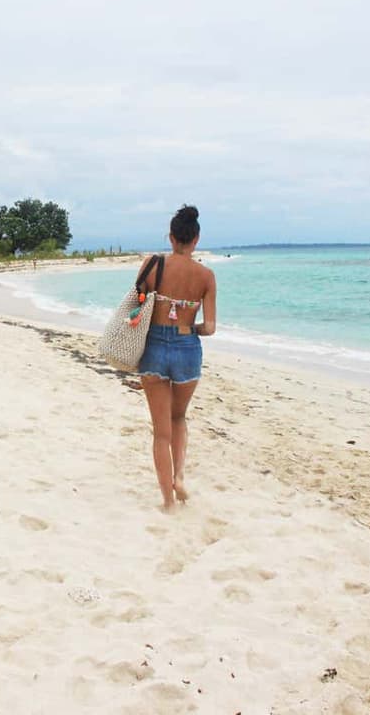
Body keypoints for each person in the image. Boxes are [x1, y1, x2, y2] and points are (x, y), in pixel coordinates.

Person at [135, 205, 217, 511]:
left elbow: (138, 304)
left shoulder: (152, 265)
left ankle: (168, 501)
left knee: (161, 432)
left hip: (154, 347)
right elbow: (209, 327)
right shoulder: (206, 276)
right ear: (196, 239)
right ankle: (179, 476)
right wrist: (187, 326)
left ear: (171, 238)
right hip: (187, 348)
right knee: (179, 417)